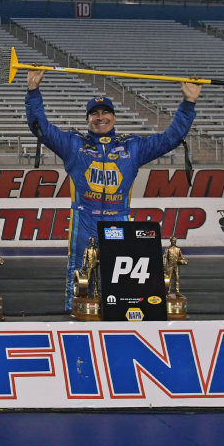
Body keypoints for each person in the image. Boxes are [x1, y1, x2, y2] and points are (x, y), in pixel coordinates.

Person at [25, 70, 200, 311]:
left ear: (114, 118)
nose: (100, 117)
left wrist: (188, 103)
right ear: (87, 120)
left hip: (119, 218)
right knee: (79, 272)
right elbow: (39, 127)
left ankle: (121, 316)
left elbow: (170, 138)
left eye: (105, 112)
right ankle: (74, 315)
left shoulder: (133, 147)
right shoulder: (74, 144)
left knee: (122, 277)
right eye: (94, 114)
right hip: (85, 218)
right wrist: (33, 91)